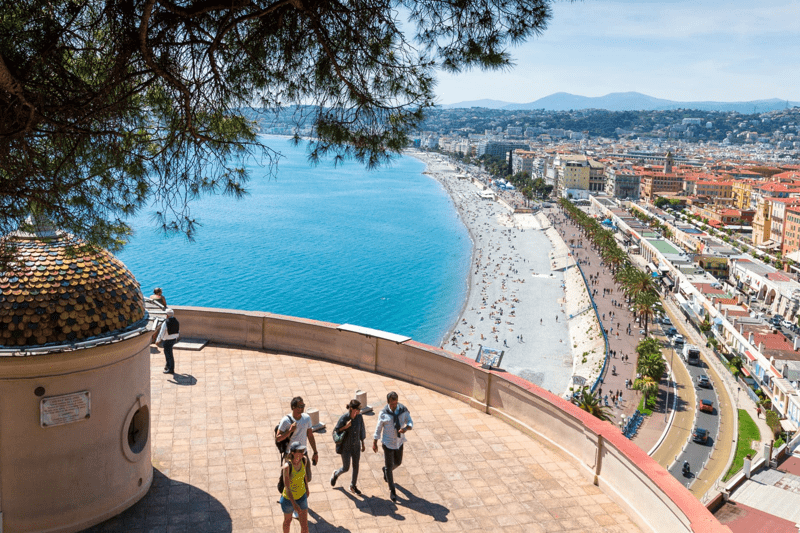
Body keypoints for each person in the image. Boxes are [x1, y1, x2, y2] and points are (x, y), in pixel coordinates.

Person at [373, 391, 413, 502]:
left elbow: (410, 422)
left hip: (399, 442)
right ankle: (392, 491)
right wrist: (375, 442)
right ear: (388, 402)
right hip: (388, 444)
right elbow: (378, 428)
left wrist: (406, 428)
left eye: (395, 403)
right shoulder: (383, 413)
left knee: (398, 462)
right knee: (389, 467)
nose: (394, 406)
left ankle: (385, 470)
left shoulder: (403, 411)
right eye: (392, 404)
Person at [331, 399, 366, 494]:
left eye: (359, 410)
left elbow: (362, 429)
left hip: (356, 447)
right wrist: (345, 427)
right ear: (351, 409)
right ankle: (336, 474)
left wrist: (363, 442)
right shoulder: (344, 418)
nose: (358, 412)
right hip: (346, 448)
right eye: (356, 410)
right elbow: (336, 431)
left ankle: (353, 485)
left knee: (356, 466)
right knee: (346, 468)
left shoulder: (359, 417)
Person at [276, 397, 319, 472]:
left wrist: (315, 452)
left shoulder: (307, 418)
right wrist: (290, 431)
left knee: (307, 478)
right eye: (300, 406)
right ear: (293, 407)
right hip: (290, 455)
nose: (302, 408)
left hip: (303, 454)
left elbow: (310, 436)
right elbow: (278, 438)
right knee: (289, 479)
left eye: (303, 406)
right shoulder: (285, 421)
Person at [280, 442, 311, 533]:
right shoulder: (287, 467)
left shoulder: (304, 460)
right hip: (288, 500)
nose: (302, 453)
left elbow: (304, 476)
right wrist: (294, 504)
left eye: (303, 450)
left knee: (305, 525)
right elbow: (287, 487)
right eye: (300, 451)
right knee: (287, 521)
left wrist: (307, 488)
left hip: (302, 496)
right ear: (293, 453)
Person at [155, 308, 180, 374]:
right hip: (173, 339)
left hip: (167, 341)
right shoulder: (176, 321)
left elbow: (161, 333)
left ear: (167, 315)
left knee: (169, 354)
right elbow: (178, 331)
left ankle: (171, 369)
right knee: (168, 353)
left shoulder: (165, 323)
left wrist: (158, 340)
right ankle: (168, 366)